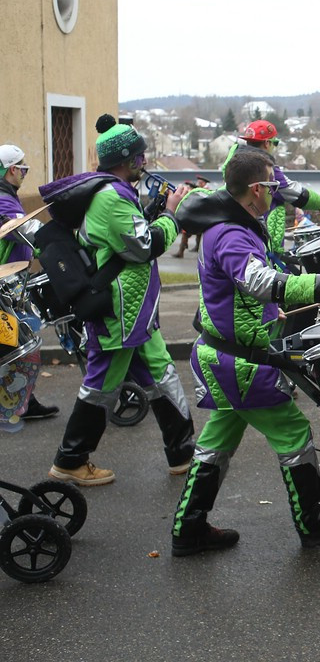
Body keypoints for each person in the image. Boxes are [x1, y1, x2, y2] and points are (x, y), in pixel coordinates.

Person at [170, 147, 320, 556]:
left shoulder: (227, 224)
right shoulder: (231, 233)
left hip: (225, 354)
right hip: (238, 361)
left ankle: (189, 529)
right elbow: (257, 281)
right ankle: (312, 522)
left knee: (216, 443)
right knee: (293, 434)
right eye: (273, 186)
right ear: (256, 190)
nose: (277, 192)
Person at [47, 114, 195, 486]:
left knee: (161, 374)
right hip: (119, 311)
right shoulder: (111, 197)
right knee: (101, 386)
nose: (144, 163)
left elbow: (131, 235)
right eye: (141, 157)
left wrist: (154, 213)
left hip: (135, 311)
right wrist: (172, 214)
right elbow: (145, 246)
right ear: (128, 159)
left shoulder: (115, 193)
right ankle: (70, 459)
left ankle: (182, 454)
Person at [0, 144, 59, 420]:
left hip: (12, 278)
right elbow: (22, 227)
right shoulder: (2, 198)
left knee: (17, 344)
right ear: (11, 169)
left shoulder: (6, 194)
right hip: (5, 283)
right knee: (18, 344)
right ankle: (21, 403)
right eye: (22, 169)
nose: (24, 174)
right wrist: (56, 239)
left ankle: (22, 401)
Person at [223, 120, 320, 269]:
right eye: (275, 142)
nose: (274, 147)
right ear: (267, 143)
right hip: (262, 233)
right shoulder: (264, 169)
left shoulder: (233, 164)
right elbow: (295, 193)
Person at [173, 175, 210, 259]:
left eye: (200, 182)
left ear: (204, 183)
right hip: (199, 217)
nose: (199, 184)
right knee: (194, 235)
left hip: (198, 217)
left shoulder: (204, 192)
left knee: (188, 234)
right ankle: (186, 250)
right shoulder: (199, 192)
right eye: (198, 182)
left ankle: (182, 251)